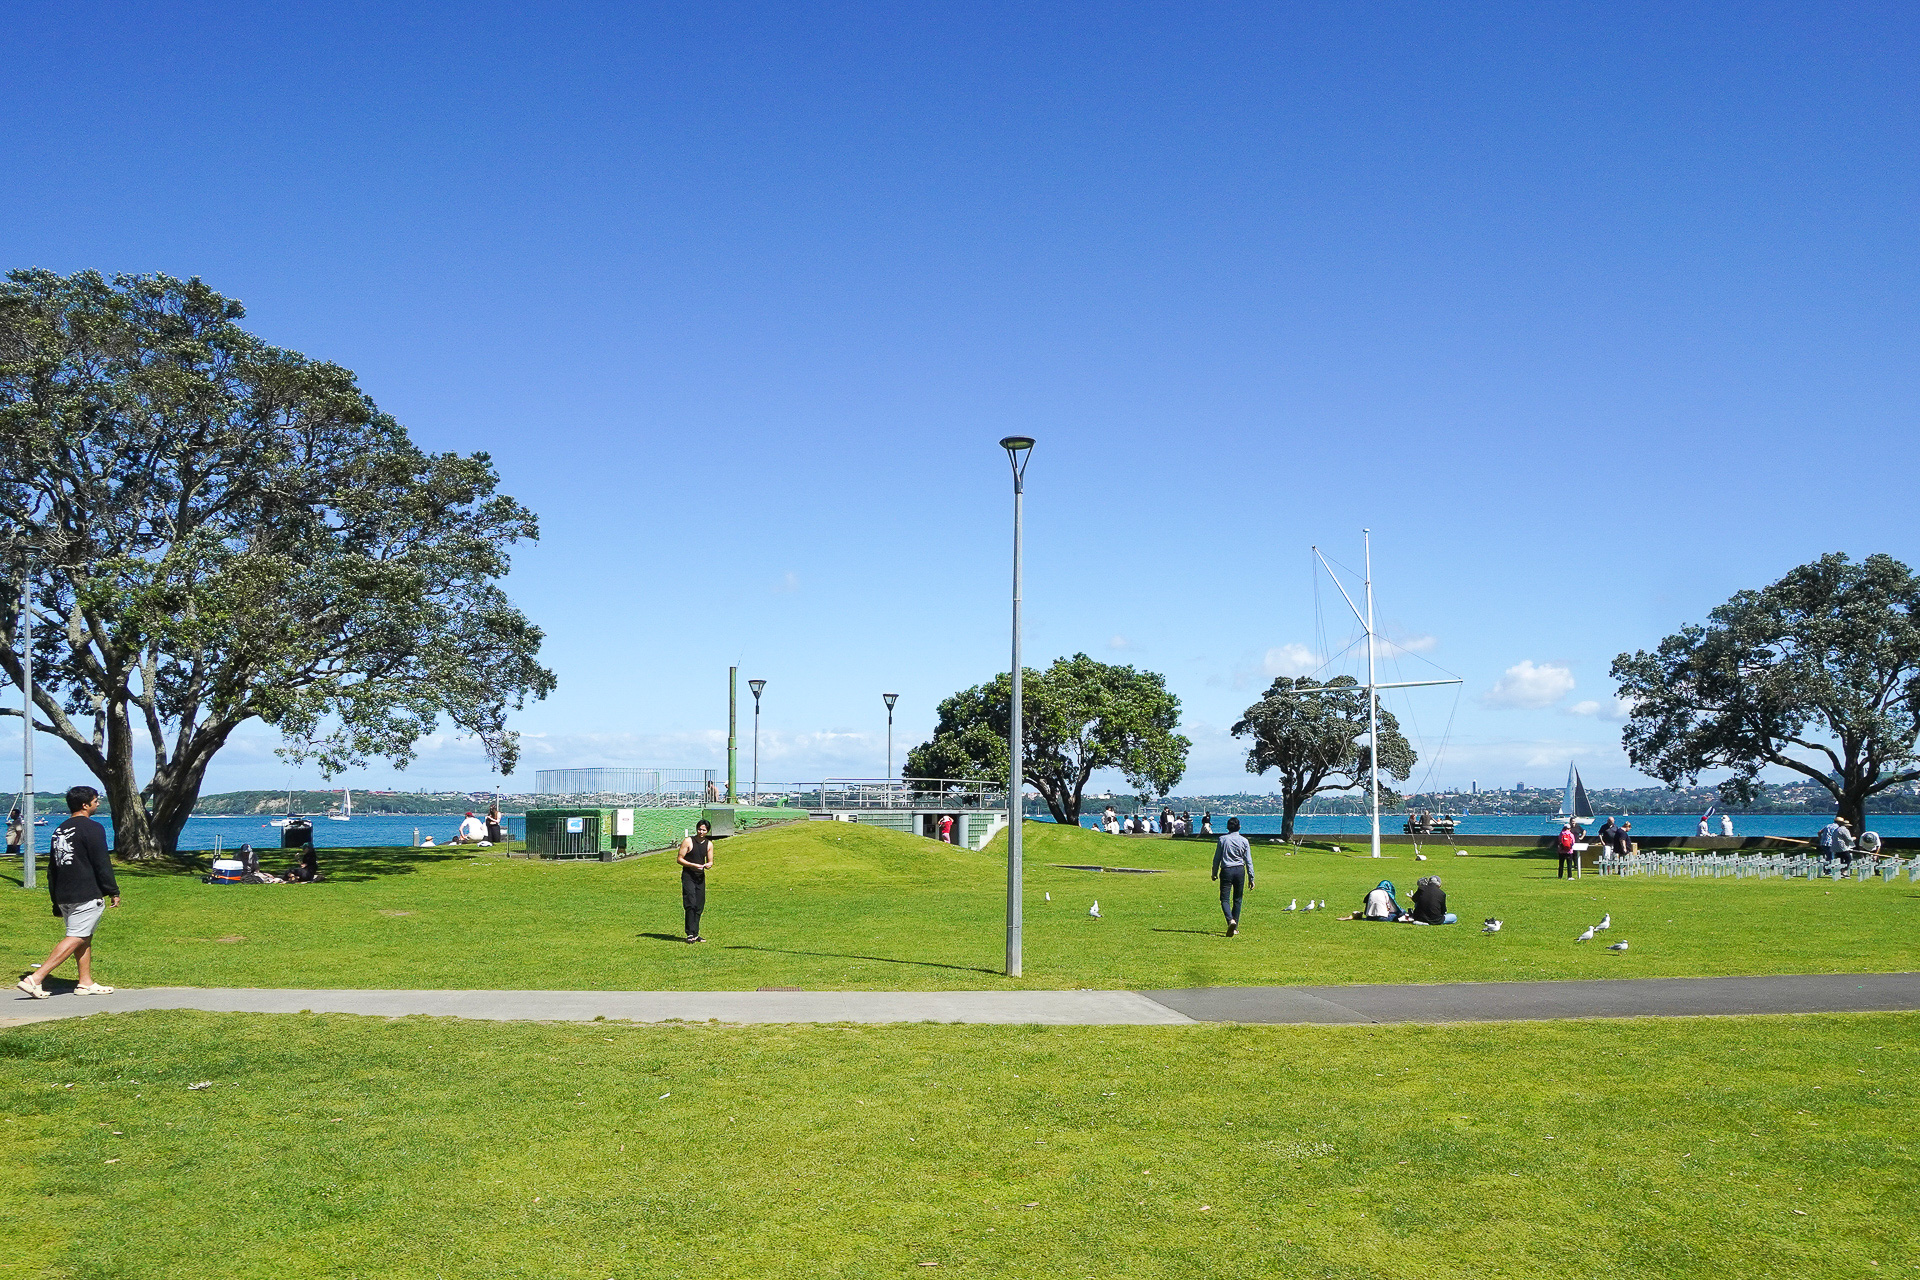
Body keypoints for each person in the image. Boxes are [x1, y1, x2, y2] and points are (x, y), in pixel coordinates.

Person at [17, 786, 120, 999]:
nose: (98, 803)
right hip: (86, 892)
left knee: (84, 936)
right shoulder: (93, 828)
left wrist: (55, 898)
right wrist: (112, 890)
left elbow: (52, 867)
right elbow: (102, 862)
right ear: (85, 805)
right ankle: (35, 979)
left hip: (64, 893)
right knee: (77, 936)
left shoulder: (60, 829)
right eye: (95, 800)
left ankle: (85, 983)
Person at [1211, 817, 1255, 936]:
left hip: (1226, 870)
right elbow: (1248, 861)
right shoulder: (1244, 841)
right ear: (1239, 827)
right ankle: (1235, 926)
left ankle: (1230, 920)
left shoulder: (1222, 839)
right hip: (1240, 870)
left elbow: (1217, 858)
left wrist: (1214, 873)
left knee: (1224, 898)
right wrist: (1251, 878)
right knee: (1238, 899)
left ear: (1227, 827)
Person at [676, 819, 715, 943]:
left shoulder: (709, 844)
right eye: (699, 829)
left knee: (699, 905)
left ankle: (696, 933)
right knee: (690, 903)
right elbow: (679, 859)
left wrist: (708, 865)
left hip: (700, 876)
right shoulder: (688, 841)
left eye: (703, 830)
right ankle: (689, 933)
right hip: (689, 875)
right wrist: (692, 865)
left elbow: (710, 861)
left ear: (707, 831)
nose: (701, 832)